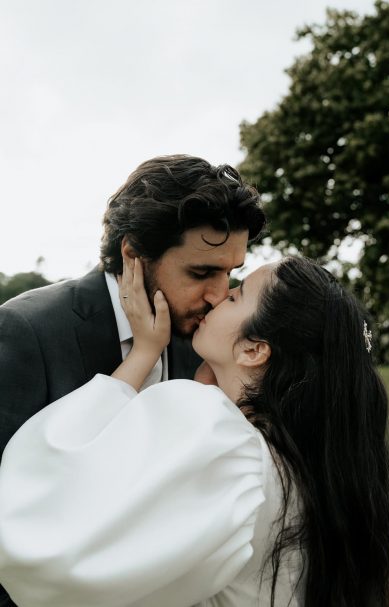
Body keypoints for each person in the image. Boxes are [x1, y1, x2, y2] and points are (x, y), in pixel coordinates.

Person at [0, 256, 389, 607]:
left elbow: (52, 549)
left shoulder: (221, 438)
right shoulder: (309, 461)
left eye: (235, 295)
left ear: (253, 349)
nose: (217, 295)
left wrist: (142, 354)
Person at [0, 154, 264, 606]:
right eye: (201, 273)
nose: (220, 295)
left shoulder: (203, 340)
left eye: (230, 273)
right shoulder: (28, 330)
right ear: (133, 254)